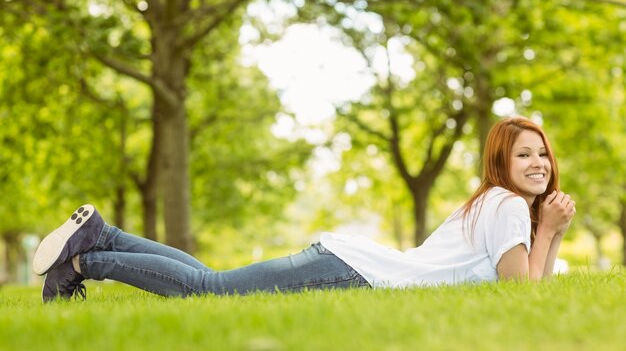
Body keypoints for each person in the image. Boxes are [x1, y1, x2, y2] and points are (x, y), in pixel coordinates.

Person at [33, 116, 576, 302]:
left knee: (211, 282)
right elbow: (520, 289)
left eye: (542, 153)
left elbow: (526, 289)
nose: (537, 163)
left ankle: (104, 235)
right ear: (499, 163)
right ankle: (84, 261)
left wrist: (547, 230)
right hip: (355, 275)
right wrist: (549, 231)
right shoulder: (508, 205)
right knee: (212, 290)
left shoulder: (491, 201)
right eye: (522, 154)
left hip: (348, 264)